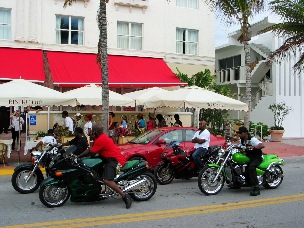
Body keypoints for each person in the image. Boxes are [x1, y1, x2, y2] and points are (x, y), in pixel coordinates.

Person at [78, 124, 132, 209]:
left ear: (95, 132)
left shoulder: (100, 139)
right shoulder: (100, 137)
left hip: (114, 160)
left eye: (92, 130)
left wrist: (80, 154)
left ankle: (124, 195)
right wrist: (79, 156)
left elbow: (92, 152)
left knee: (107, 180)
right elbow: (91, 150)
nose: (90, 131)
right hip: (108, 159)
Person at [237, 126, 265, 196]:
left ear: (245, 133)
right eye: (239, 133)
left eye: (241, 133)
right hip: (249, 157)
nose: (239, 134)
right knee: (241, 165)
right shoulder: (242, 140)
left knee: (251, 167)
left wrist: (253, 147)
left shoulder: (252, 139)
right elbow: (240, 146)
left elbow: (262, 145)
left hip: (257, 157)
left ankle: (256, 187)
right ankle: (239, 182)